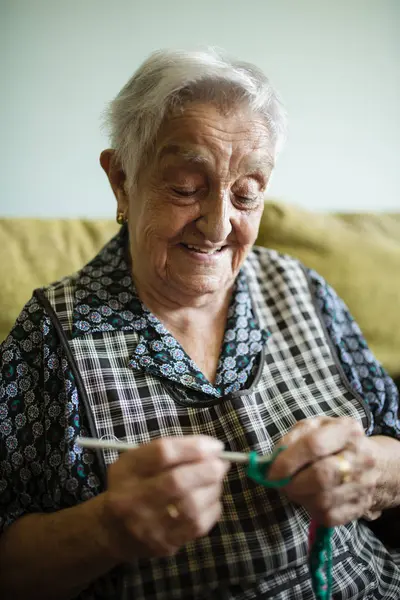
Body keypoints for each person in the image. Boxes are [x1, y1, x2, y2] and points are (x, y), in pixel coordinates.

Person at [0, 48, 399, 600]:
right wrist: (107, 528)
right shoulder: (52, 335)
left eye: (246, 193)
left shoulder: (302, 287)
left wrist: (368, 472)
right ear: (121, 180)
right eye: (185, 188)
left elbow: (393, 439)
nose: (217, 224)